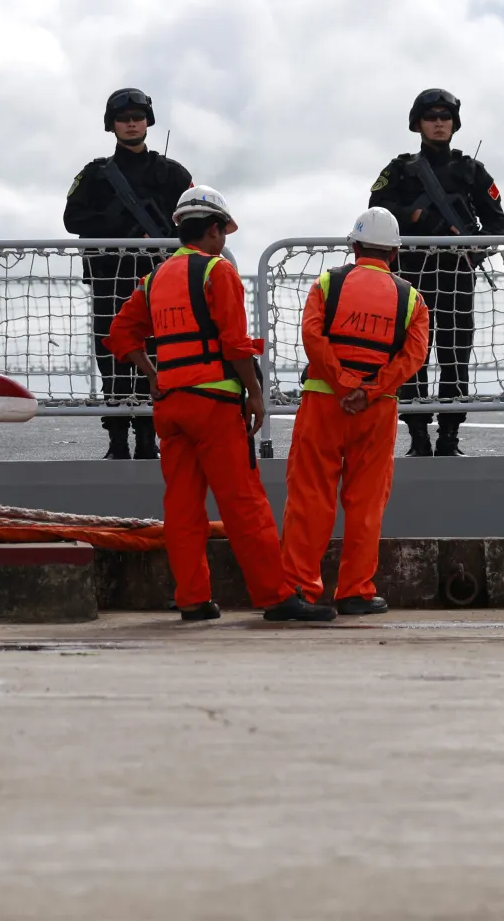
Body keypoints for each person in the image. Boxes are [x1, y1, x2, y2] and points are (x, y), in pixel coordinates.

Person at [105, 186, 336, 624]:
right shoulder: (217, 271)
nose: (224, 240)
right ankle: (275, 597)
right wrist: (254, 393)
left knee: (182, 507)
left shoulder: (154, 280)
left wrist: (152, 374)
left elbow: (120, 335)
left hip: (170, 406)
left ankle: (193, 599)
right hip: (214, 404)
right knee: (244, 503)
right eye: (223, 232)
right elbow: (233, 344)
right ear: (212, 230)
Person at [280, 209, 429, 615]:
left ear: (354, 246)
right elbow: (413, 356)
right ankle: (355, 592)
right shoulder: (412, 298)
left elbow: (312, 335)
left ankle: (299, 589)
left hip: (323, 402)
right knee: (365, 503)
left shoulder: (328, 282)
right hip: (377, 411)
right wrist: (369, 389)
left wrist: (345, 383)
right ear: (394, 253)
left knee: (310, 497)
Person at [368, 88, 504, 457]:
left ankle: (449, 435)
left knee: (455, 356)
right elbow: (377, 210)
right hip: (410, 277)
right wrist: (417, 217)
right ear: (418, 124)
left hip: (456, 276)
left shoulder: (471, 171)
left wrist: (474, 248)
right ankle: (417, 436)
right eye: (431, 117)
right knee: (411, 356)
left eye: (445, 117)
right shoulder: (400, 169)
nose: (439, 123)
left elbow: (497, 221)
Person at [64, 88, 193, 461]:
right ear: (112, 125)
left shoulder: (172, 174)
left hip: (160, 280)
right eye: (124, 118)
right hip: (110, 277)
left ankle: (149, 435)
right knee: (113, 354)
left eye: (138, 116)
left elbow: (192, 219)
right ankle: (117, 438)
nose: (132, 123)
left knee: (158, 356)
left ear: (148, 122)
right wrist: (124, 228)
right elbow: (72, 218)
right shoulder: (95, 175)